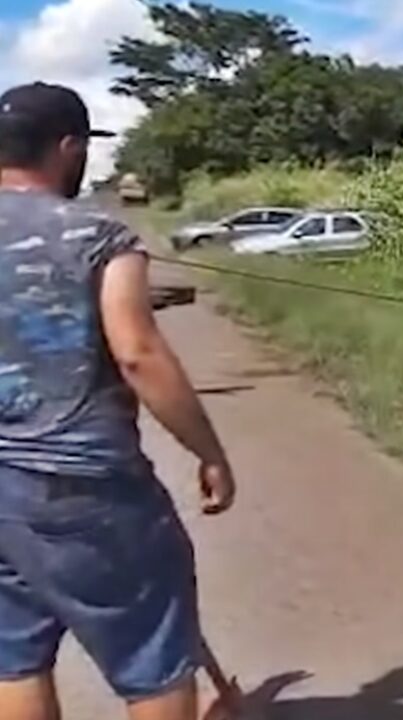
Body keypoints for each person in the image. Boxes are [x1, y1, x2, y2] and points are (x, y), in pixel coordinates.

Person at [0, 83, 236, 720]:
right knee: (152, 655)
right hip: (85, 486)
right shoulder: (99, 235)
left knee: (13, 656)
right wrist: (209, 451)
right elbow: (138, 353)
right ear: (69, 147)